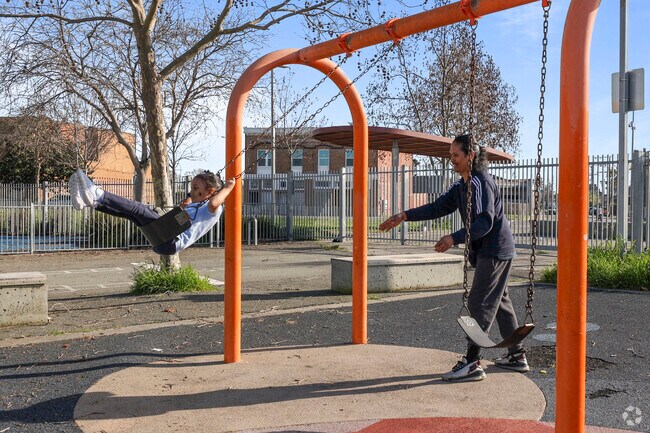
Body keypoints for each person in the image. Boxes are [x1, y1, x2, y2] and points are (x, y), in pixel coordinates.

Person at [378, 134, 529, 383]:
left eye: (455, 155)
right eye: (450, 156)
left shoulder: (481, 182)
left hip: (494, 250)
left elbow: (484, 222)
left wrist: (453, 238)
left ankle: (471, 362)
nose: (451, 161)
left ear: (470, 156)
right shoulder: (462, 186)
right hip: (491, 251)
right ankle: (516, 355)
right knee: (500, 302)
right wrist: (404, 215)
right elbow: (437, 207)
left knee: (480, 303)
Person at [68, 168, 235, 255]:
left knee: (138, 208)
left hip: (171, 240)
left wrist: (228, 188)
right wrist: (186, 203)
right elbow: (184, 213)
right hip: (165, 241)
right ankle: (94, 202)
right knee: (132, 214)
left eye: (196, 188)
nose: (191, 191)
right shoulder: (196, 205)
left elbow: (214, 202)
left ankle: (98, 194)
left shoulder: (214, 208)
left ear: (211, 191)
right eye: (191, 187)